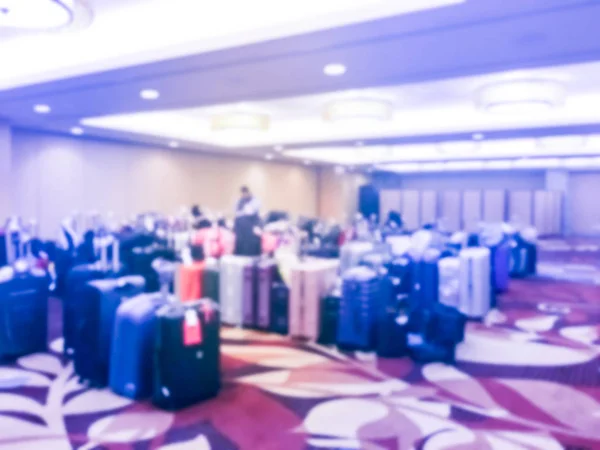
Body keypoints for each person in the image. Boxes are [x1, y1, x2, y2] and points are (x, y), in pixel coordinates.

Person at [233, 186, 262, 256]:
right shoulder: (239, 201)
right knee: (241, 243)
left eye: (245, 193)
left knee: (251, 244)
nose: (244, 195)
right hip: (241, 225)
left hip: (251, 223)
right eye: (243, 193)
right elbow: (236, 212)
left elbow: (252, 212)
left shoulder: (255, 201)